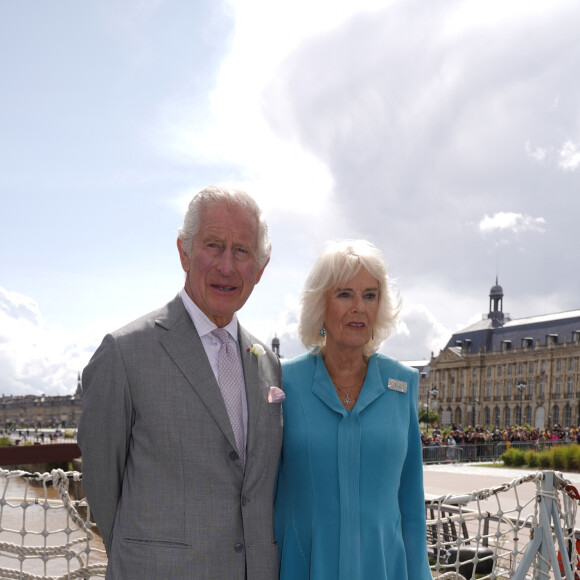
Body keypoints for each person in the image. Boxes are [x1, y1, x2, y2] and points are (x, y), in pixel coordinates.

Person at [78, 185, 283, 580]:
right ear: (183, 251)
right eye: (213, 245)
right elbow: (102, 486)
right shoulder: (123, 354)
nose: (227, 265)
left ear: (260, 267)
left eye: (242, 250)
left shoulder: (268, 364)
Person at [275, 239, 432, 579]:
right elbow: (265, 491)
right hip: (302, 568)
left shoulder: (402, 383)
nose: (359, 307)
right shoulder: (283, 382)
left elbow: (411, 501)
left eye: (370, 295)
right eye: (345, 294)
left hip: (384, 569)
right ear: (321, 304)